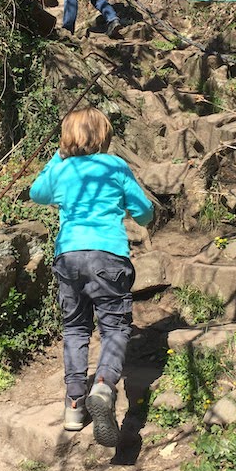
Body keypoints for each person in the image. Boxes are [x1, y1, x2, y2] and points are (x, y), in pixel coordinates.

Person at [29, 107, 153, 447]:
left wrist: (58, 156)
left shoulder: (62, 169)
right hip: (108, 255)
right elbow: (143, 212)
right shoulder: (114, 166)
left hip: (68, 256)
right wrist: (144, 215)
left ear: (66, 138)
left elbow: (36, 193)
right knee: (114, 327)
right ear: (104, 136)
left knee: (75, 328)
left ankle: (73, 406)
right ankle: (102, 385)